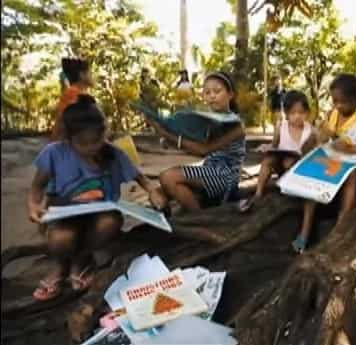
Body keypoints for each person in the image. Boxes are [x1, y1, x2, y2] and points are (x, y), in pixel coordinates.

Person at [28, 95, 167, 301]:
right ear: (69, 138)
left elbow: (142, 179)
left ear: (105, 133)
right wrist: (34, 206)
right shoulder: (54, 153)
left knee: (110, 222)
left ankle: (81, 259)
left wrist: (153, 192)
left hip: (100, 215)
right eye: (84, 143)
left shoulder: (113, 153)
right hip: (64, 214)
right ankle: (61, 265)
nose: (92, 147)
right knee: (61, 239)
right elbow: (36, 187)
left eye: (97, 140)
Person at [292, 74, 356, 253]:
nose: (339, 106)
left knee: (349, 177)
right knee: (313, 176)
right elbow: (323, 138)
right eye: (335, 101)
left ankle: (341, 227)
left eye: (343, 102)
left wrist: (351, 148)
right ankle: (305, 232)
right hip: (335, 158)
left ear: (355, 99)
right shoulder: (332, 114)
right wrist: (316, 137)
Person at [149, 72, 246, 211]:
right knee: (157, 192)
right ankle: (168, 217)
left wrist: (166, 134)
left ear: (230, 95)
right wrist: (169, 138)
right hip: (209, 172)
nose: (212, 96)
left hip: (226, 176)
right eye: (207, 92)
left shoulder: (237, 125)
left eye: (217, 91)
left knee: (168, 177)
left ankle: (199, 218)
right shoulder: (210, 122)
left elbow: (203, 149)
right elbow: (200, 152)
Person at [239, 90, 317, 212]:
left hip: (297, 166)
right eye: (293, 113)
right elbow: (274, 145)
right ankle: (259, 192)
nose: (297, 116)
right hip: (280, 163)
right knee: (268, 160)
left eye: (301, 112)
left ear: (307, 113)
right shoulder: (281, 127)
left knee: (289, 161)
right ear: (286, 113)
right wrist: (266, 148)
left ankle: (291, 192)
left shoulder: (311, 130)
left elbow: (314, 151)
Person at [51, 58, 93, 142]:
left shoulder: (73, 92)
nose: (92, 76)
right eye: (90, 73)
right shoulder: (76, 94)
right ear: (82, 75)